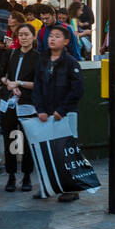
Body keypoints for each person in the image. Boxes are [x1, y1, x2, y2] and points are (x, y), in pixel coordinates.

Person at [30, 25, 85, 202]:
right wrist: (40, 110)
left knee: (67, 151)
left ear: (66, 41)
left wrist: (61, 110)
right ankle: (48, 186)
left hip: (66, 114)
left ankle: (72, 188)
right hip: (45, 114)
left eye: (57, 36)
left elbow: (77, 90)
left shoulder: (71, 63)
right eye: (50, 36)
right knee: (47, 152)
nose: (52, 39)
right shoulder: (42, 61)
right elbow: (37, 87)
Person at [0, 22, 37, 192]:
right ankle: (11, 175)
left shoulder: (38, 57)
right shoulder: (11, 54)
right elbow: (1, 75)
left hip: (28, 103)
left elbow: (40, 83)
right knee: (11, 139)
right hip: (9, 104)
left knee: (28, 141)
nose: (23, 37)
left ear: (33, 37)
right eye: (20, 34)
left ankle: (27, 175)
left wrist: (20, 84)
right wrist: (10, 85)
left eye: (27, 34)